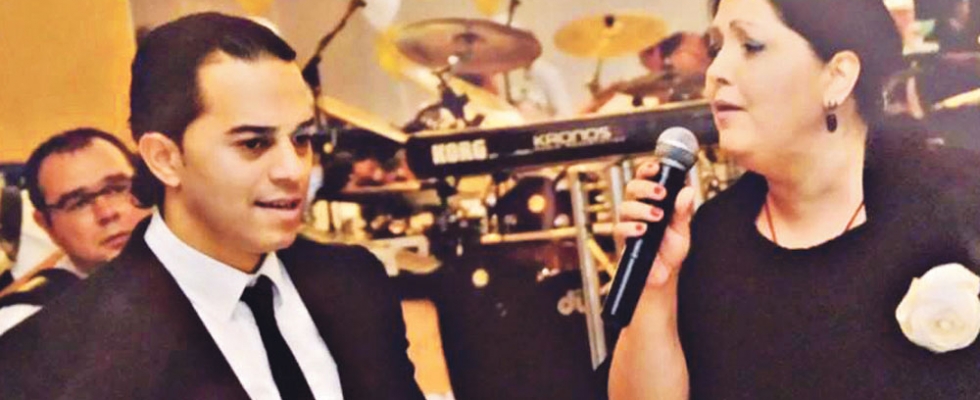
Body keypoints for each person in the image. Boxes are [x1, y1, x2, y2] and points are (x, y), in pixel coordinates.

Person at [0, 13, 424, 400]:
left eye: (300, 138)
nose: (293, 169)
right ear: (165, 159)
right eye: (253, 143)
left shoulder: (354, 280)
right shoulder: (54, 359)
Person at [607, 0, 980, 399]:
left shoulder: (959, 203)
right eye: (716, 48)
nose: (715, 72)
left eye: (751, 46)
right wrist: (654, 293)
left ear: (837, 77)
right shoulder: (708, 241)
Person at [0, 128, 150, 335]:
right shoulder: (26, 324)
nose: (106, 213)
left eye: (117, 189)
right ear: (46, 225)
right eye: (79, 203)